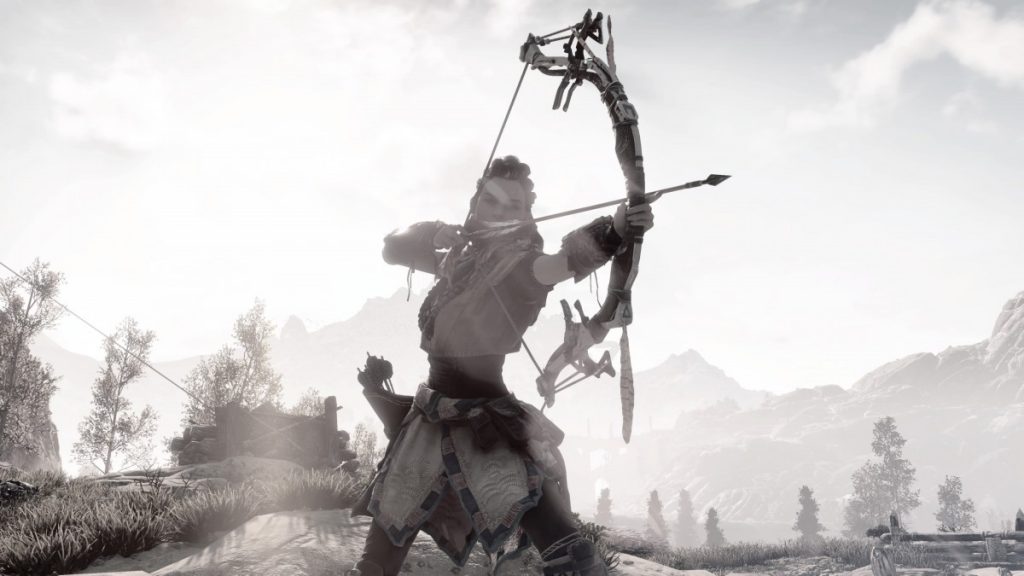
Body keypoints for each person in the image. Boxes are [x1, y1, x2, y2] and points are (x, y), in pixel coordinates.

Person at [349, 155, 653, 575]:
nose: (499, 211)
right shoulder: (459, 258)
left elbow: (561, 263)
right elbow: (391, 249)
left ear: (526, 217)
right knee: (377, 556)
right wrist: (435, 231)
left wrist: (615, 230)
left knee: (570, 554)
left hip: (490, 426)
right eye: (490, 201)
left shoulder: (521, 267)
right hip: (427, 419)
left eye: (513, 206)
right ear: (475, 205)